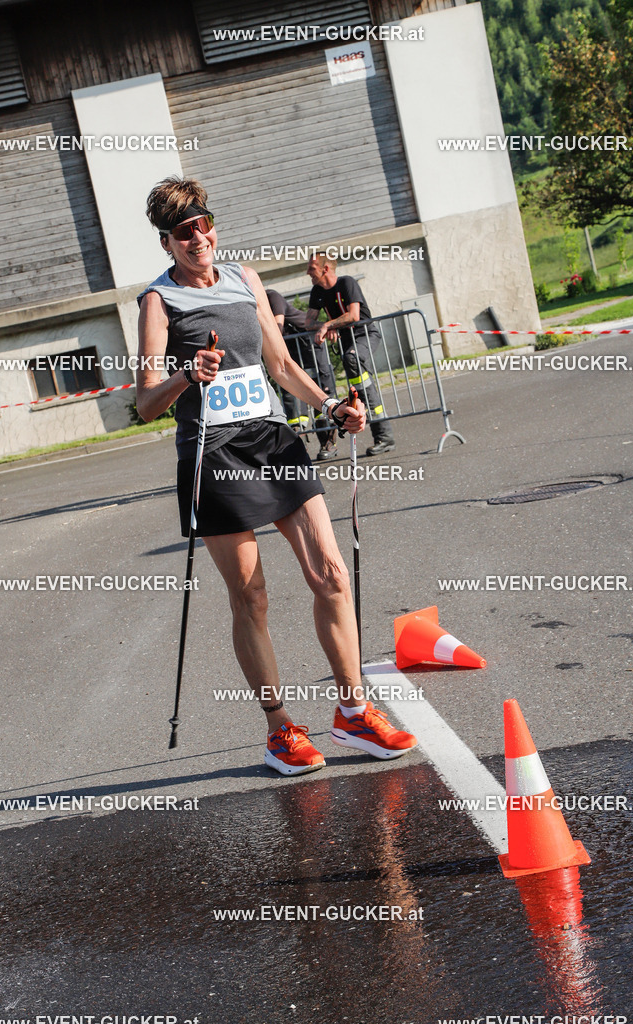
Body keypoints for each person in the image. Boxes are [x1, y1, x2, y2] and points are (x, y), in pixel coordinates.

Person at [136, 176, 416, 775]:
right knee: (252, 596)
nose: (199, 238)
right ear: (167, 243)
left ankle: (353, 712)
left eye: (205, 224)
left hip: (272, 440)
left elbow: (282, 363)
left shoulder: (244, 280)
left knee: (333, 575)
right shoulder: (158, 301)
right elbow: (145, 402)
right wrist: (188, 374)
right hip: (213, 456)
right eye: (185, 233)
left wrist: (330, 405)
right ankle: (279, 729)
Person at [306, 252, 396, 456]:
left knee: (356, 367)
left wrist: (328, 324)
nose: (307, 272)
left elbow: (354, 315)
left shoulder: (347, 283)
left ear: (325, 268)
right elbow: (308, 322)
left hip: (365, 335)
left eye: (311, 268)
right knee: (358, 387)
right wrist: (325, 326)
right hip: (348, 343)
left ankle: (384, 435)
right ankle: (382, 436)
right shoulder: (317, 291)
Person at [265, 288, 337, 460]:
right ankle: (299, 449)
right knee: (292, 398)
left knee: (318, 390)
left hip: (309, 343)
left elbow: (277, 329)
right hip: (291, 349)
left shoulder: (271, 296)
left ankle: (329, 443)